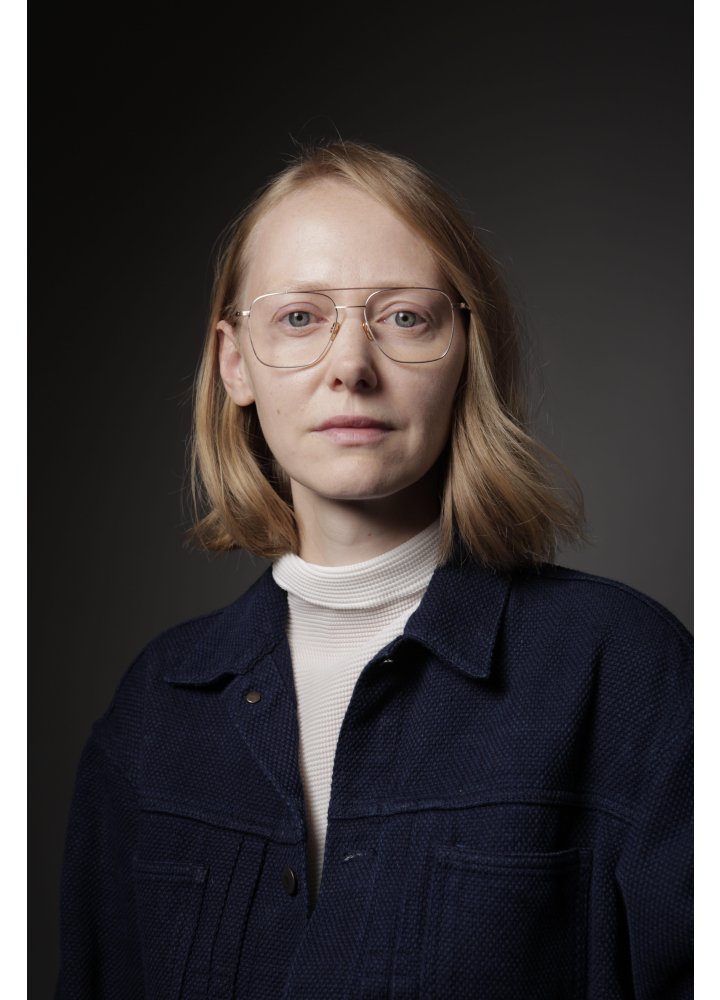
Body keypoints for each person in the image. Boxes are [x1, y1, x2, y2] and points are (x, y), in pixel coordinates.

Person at [56, 141, 693, 999]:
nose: (350, 368)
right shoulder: (155, 707)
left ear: (466, 349)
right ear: (235, 363)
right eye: (299, 317)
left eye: (404, 318)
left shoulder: (625, 672)